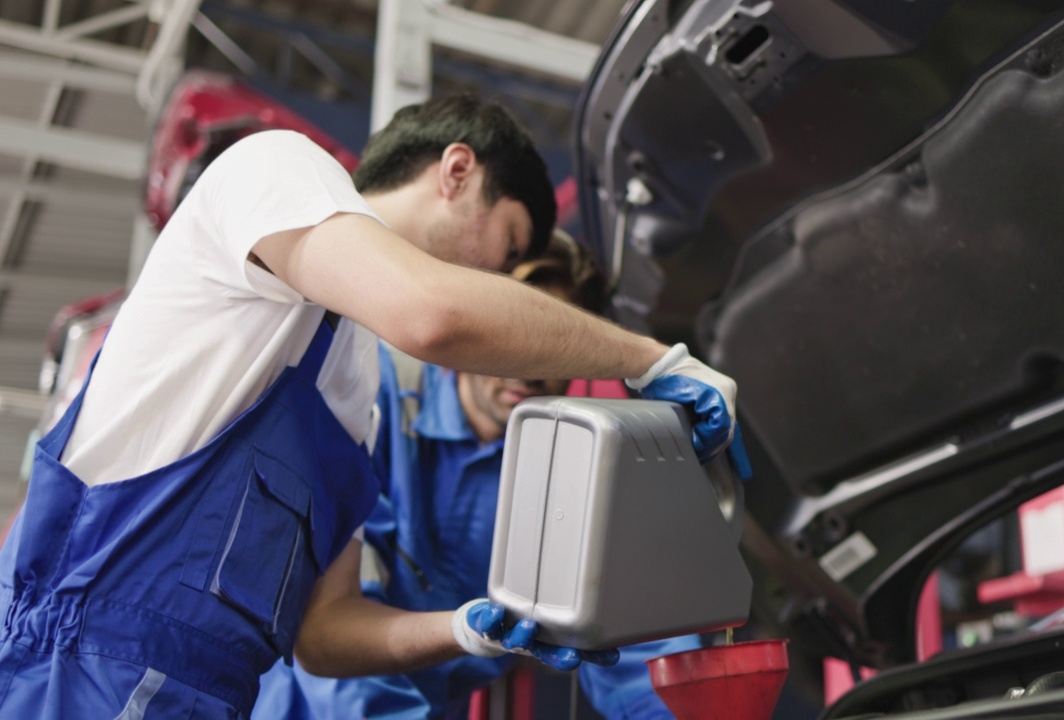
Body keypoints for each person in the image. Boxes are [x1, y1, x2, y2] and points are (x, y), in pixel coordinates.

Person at [0, 95, 743, 718]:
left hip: (204, 697)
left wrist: (466, 631)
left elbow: (324, 631)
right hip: (75, 665)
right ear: (457, 171)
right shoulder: (277, 170)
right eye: (507, 244)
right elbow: (434, 314)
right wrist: (653, 359)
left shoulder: (353, 390)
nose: (498, 279)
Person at [252, 231, 696, 719]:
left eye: (553, 349)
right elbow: (331, 628)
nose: (529, 366)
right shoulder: (379, 401)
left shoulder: (578, 479)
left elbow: (635, 650)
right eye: (513, 338)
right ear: (476, 327)